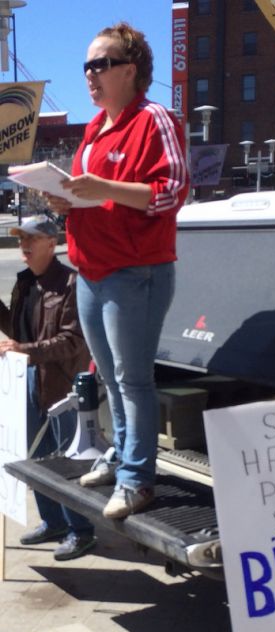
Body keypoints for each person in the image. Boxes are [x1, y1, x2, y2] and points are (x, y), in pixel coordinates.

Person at [47, 21, 189, 520]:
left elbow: (173, 191)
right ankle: (124, 456)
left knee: (133, 379)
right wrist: (67, 202)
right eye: (86, 65)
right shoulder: (94, 128)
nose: (89, 74)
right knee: (110, 376)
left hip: (135, 272)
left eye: (99, 64)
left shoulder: (155, 119)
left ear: (130, 69)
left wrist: (102, 188)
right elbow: (96, 196)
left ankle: (136, 479)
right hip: (91, 270)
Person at [0, 215, 96, 561]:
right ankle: (52, 521)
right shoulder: (26, 282)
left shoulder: (72, 283)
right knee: (36, 456)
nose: (23, 245)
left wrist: (23, 350)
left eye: (31, 238)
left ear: (51, 243)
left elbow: (73, 341)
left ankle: (81, 531)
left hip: (64, 388)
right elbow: (16, 329)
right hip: (28, 379)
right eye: (20, 238)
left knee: (69, 461)